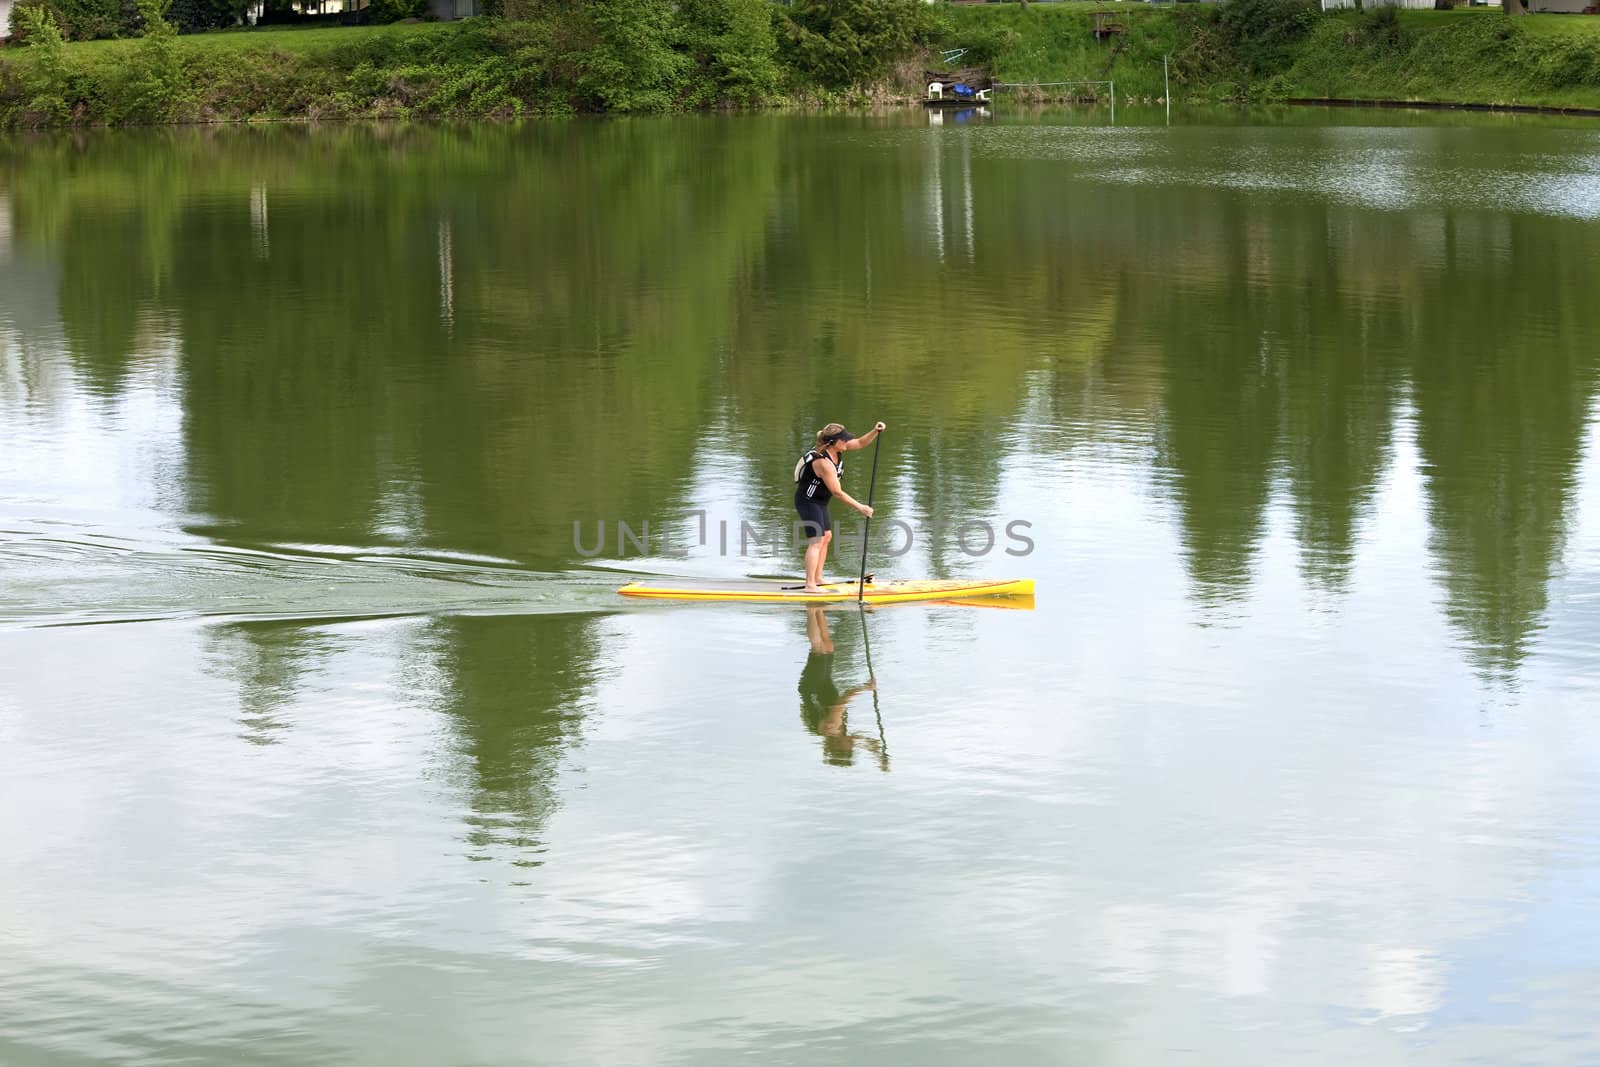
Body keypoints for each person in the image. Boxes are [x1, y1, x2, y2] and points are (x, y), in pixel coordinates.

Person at [793, 420, 886, 593]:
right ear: (833, 442)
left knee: (826, 536)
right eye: (843, 439)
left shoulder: (837, 448)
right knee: (816, 541)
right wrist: (861, 507)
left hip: (820, 501)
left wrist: (875, 430)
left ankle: (818, 577)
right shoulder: (824, 463)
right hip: (807, 501)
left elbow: (859, 443)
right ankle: (810, 585)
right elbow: (837, 492)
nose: (847, 442)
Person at [798, 607, 887, 770]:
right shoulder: (837, 735)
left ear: (840, 746)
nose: (852, 747)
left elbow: (842, 701)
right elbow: (866, 742)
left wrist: (865, 687)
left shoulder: (830, 727)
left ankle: (811, 611)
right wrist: (880, 758)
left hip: (813, 686)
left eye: (849, 749)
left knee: (818, 648)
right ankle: (819, 610)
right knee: (828, 647)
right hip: (822, 685)